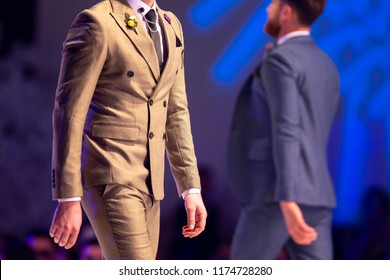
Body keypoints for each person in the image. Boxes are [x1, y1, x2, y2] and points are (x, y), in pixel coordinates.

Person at [49, 0, 207, 260]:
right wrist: (68, 196)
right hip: (110, 170)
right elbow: (69, 111)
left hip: (151, 181)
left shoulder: (171, 25)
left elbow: (176, 111)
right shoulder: (98, 21)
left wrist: (191, 188)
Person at [228, 0, 340, 259]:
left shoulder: (280, 61)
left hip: (277, 194)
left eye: (274, 3)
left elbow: (287, 129)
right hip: (317, 194)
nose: (268, 9)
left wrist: (288, 198)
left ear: (287, 11)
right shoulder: (326, 64)